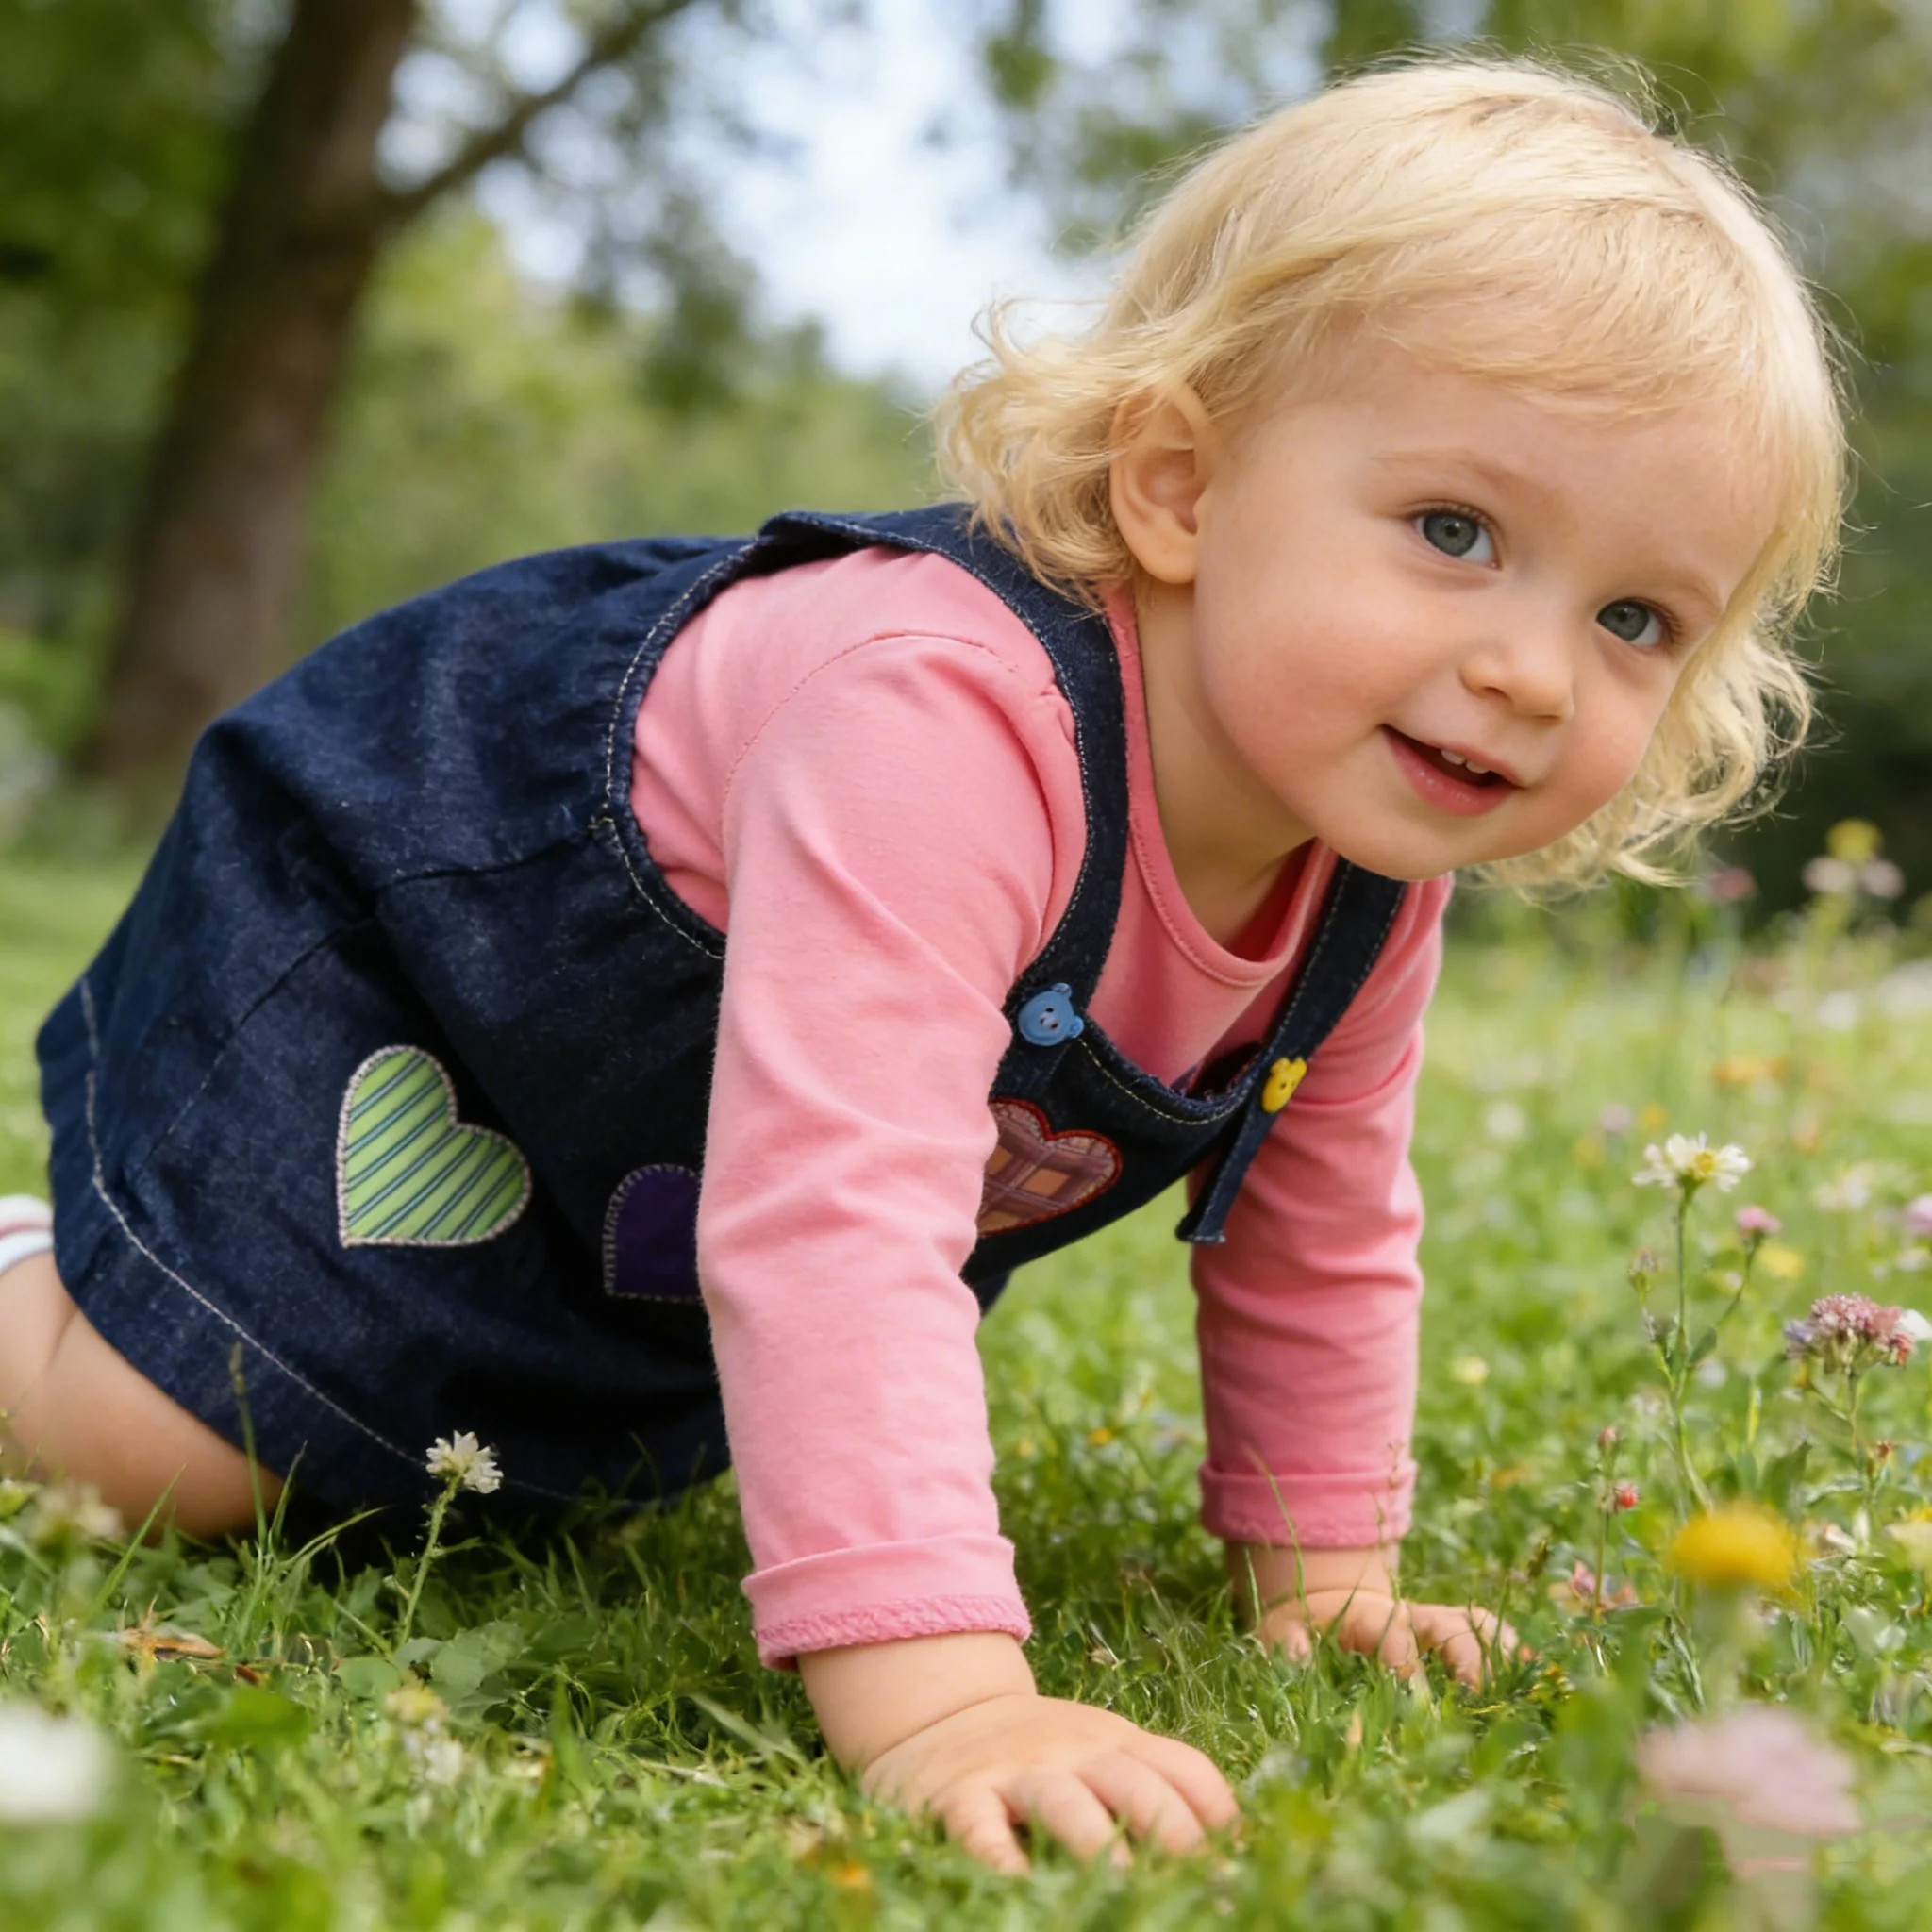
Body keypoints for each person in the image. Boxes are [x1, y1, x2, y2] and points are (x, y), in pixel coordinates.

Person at [0, 53, 1841, 1872]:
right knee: (172, 1445)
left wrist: (1325, 1570)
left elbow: (1317, 1217)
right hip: (416, 923)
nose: (1533, 667)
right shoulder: (944, 719)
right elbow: (835, 1212)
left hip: (651, 1128)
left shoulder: (1363, 867)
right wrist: (945, 1690)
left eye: (1631, 617)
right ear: (1181, 487)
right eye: (1455, 530)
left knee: (467, 1459)